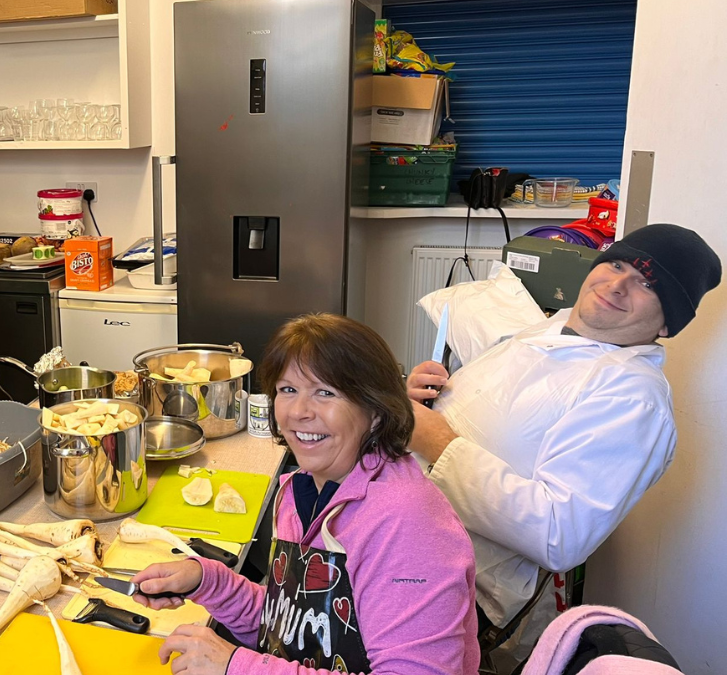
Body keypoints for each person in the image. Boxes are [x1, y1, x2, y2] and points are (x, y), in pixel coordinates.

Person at [406, 223, 722, 648]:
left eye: (647, 283)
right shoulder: (547, 331)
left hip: (454, 586)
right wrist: (428, 400)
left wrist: (438, 443)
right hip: (401, 532)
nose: (617, 284)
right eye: (615, 264)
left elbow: (559, 535)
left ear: (667, 324)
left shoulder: (632, 398)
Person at [132, 314, 479, 675]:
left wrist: (237, 667)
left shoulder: (408, 522)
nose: (299, 412)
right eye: (288, 390)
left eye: (325, 393)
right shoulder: (303, 487)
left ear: (375, 411)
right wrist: (211, 582)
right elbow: (295, 629)